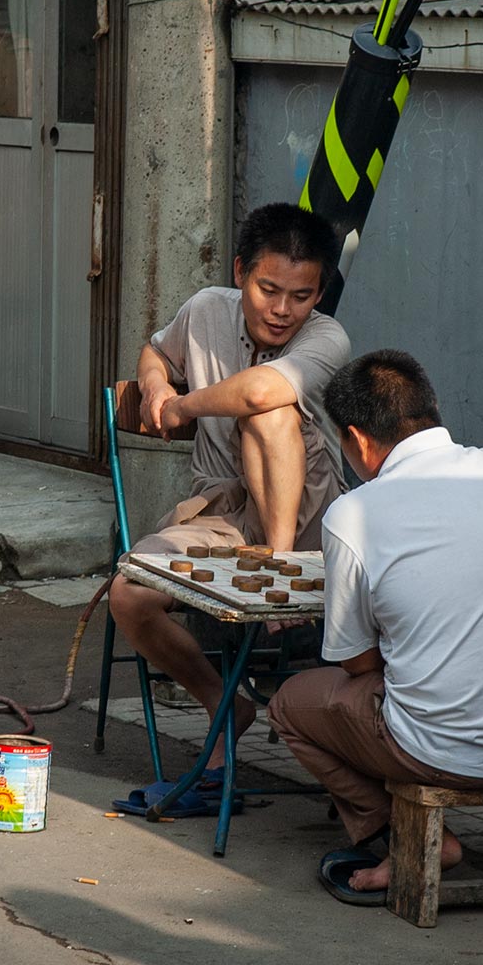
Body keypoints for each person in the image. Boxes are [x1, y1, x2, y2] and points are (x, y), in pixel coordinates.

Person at [267, 349, 483, 904]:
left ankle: (405, 838)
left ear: (357, 440)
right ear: (432, 411)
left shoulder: (356, 513)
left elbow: (358, 664)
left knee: (292, 705)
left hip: (444, 750)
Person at [108, 203, 350, 802]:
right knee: (130, 594)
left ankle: (280, 565)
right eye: (268, 289)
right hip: (221, 514)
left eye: (301, 295)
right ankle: (226, 703)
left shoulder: (328, 336)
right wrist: (160, 381)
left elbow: (264, 391)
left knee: (265, 413)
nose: (282, 309)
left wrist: (185, 406)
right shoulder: (205, 309)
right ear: (241, 271)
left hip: (312, 518)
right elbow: (156, 352)